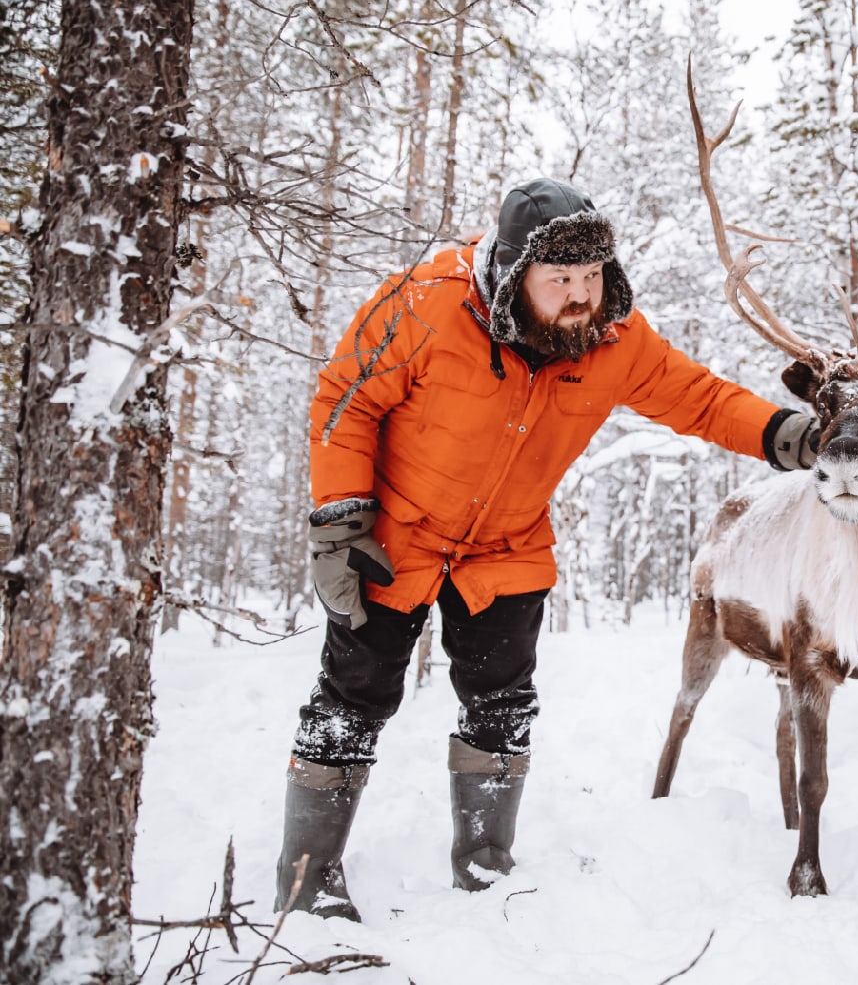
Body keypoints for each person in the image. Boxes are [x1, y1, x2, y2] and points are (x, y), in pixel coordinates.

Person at [274, 178, 819, 919]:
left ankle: (486, 871)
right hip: (394, 536)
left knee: (502, 706)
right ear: (509, 272)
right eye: (559, 279)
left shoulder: (616, 338)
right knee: (351, 703)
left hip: (505, 545)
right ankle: (307, 884)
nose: (580, 296)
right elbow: (346, 397)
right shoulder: (426, 302)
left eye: (591, 277)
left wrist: (785, 435)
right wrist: (339, 519)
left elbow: (700, 397)